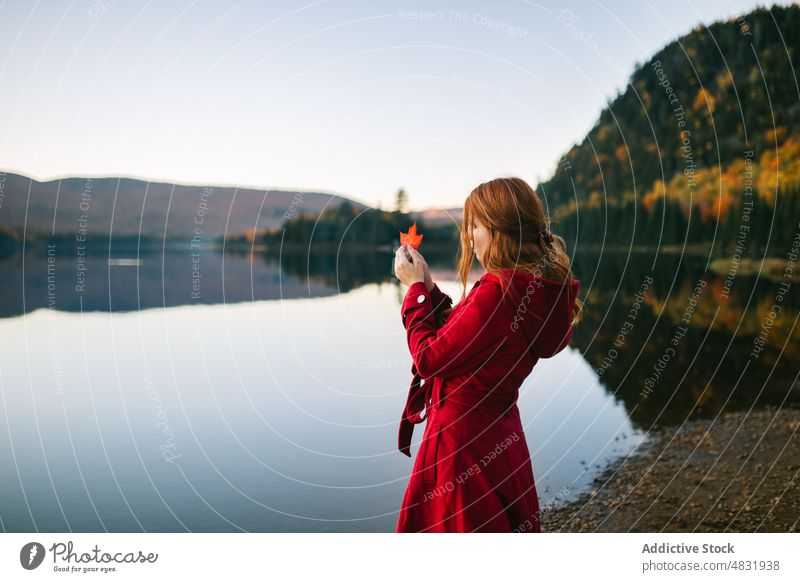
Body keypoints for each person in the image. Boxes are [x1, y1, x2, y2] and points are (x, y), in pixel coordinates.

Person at [392, 176, 584, 532]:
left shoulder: (498, 292)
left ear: (500, 229)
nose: (468, 236)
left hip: (460, 449)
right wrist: (431, 290)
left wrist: (415, 292)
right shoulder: (529, 288)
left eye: (475, 226)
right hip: (498, 437)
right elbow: (466, 337)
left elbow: (429, 358)